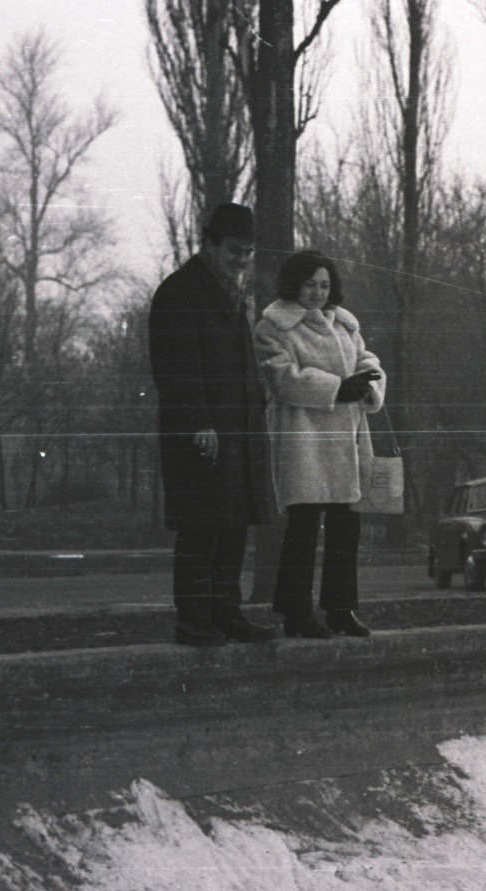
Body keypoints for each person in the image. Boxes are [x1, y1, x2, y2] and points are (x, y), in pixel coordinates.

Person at [148, 202, 279, 647]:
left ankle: (227, 614)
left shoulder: (227, 292)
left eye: (248, 252)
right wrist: (199, 422)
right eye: (234, 250)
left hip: (237, 431)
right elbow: (175, 369)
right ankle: (194, 620)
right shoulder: (179, 292)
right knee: (202, 530)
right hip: (203, 434)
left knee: (233, 526)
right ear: (209, 244)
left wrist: (258, 401)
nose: (242, 259)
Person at [255, 250, 386, 639]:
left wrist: (368, 382)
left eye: (325, 284)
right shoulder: (274, 326)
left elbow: (367, 358)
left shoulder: (344, 323)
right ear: (294, 284)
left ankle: (340, 609)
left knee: (347, 527)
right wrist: (335, 387)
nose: (317, 292)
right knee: (304, 527)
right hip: (305, 438)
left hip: (346, 436)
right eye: (310, 284)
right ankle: (296, 612)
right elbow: (281, 377)